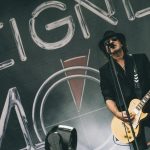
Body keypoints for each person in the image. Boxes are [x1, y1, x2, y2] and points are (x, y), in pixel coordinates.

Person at [99, 30, 150, 150]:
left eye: (114, 39)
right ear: (106, 49)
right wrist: (117, 113)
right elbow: (108, 96)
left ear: (121, 43)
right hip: (128, 117)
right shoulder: (106, 71)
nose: (111, 42)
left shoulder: (140, 59)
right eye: (107, 42)